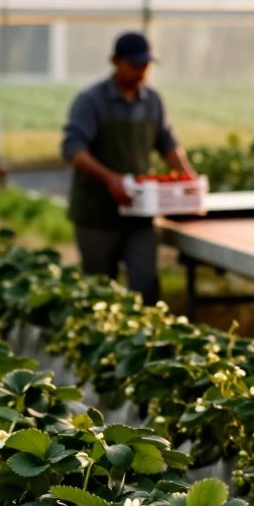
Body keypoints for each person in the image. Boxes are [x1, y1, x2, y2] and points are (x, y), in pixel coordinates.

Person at [60, 30, 190, 305]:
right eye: (134, 65)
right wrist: (110, 179)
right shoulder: (91, 101)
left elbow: (167, 143)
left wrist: (187, 177)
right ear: (115, 61)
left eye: (145, 65)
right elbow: (74, 151)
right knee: (100, 287)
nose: (141, 71)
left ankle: (147, 343)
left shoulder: (152, 101)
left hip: (139, 211)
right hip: (97, 213)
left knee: (145, 282)